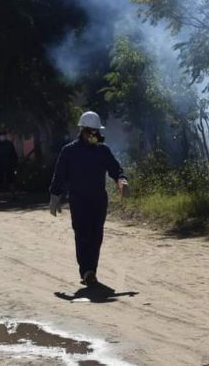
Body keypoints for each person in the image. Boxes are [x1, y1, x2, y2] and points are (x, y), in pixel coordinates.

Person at [49, 111, 129, 286]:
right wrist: (55, 196)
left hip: (98, 200)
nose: (94, 135)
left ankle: (91, 270)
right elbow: (59, 175)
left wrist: (121, 180)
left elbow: (115, 169)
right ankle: (86, 270)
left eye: (96, 132)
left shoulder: (103, 150)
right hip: (78, 200)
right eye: (90, 132)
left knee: (96, 235)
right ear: (82, 131)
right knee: (82, 234)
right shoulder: (69, 151)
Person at [0, 130, 18, 203]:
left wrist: (15, 166)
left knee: (11, 181)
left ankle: (13, 196)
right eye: (2, 135)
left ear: (6, 136)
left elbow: (14, 155)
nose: (3, 137)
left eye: (4, 135)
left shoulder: (9, 144)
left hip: (9, 166)